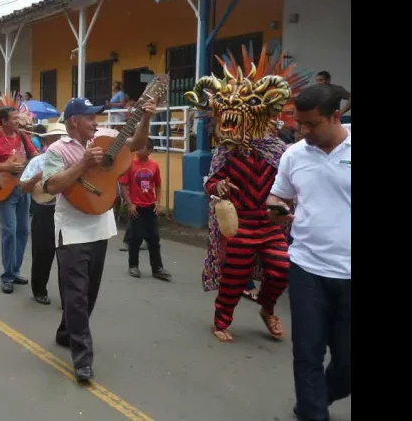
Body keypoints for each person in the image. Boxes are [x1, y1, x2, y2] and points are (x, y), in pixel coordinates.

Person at [184, 47, 302, 344]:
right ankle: (221, 320)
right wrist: (219, 188)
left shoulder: (278, 150)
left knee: (281, 269)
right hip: (240, 225)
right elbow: (211, 183)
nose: (229, 123)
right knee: (234, 276)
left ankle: (267, 308)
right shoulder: (225, 152)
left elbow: (291, 184)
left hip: (269, 224)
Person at [41, 96, 155, 381]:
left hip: (101, 227)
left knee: (87, 294)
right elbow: (52, 185)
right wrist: (81, 164)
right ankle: (83, 360)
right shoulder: (57, 149)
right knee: (77, 296)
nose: (96, 122)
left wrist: (146, 117)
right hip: (72, 232)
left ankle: (67, 332)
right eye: (90, 117)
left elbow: (137, 145)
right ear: (74, 122)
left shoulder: (106, 140)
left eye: (96, 117)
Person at [266, 84, 351, 421]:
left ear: (335, 115)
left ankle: (316, 399)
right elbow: (278, 196)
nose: (302, 131)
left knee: (346, 363)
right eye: (299, 123)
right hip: (307, 268)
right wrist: (276, 209)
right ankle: (313, 412)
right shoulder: (294, 154)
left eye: (310, 124)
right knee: (307, 354)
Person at [0, 105, 39, 294]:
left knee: (23, 231)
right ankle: (7, 275)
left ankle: (15, 270)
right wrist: (4, 167)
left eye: (18, 118)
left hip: (22, 189)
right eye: (14, 119)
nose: (18, 121)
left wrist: (42, 157)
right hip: (5, 190)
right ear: (3, 122)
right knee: (9, 231)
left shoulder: (23, 137)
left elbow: (34, 156)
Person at [19, 122, 67, 305]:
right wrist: (36, 178)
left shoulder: (72, 160)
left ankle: (68, 296)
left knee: (68, 257)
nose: (59, 141)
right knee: (42, 254)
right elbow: (23, 188)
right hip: (44, 210)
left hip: (67, 210)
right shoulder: (37, 161)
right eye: (55, 138)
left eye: (62, 138)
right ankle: (39, 290)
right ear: (47, 141)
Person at [118, 138, 171, 281]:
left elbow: (158, 185)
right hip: (136, 207)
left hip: (150, 207)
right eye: (139, 147)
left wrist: (158, 202)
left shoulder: (154, 165)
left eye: (143, 147)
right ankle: (133, 266)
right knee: (134, 239)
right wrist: (129, 203)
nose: (140, 150)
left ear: (150, 150)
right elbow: (123, 186)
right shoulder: (129, 164)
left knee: (154, 239)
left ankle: (157, 268)